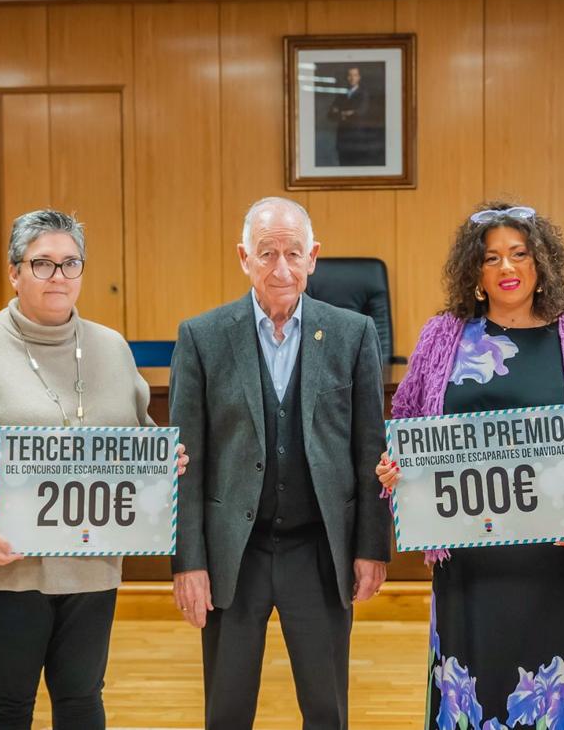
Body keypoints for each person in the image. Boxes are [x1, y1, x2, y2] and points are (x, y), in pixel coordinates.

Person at [377, 202, 564, 729]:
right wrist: (396, 469)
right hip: (467, 560)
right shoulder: (442, 337)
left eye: (519, 254)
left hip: (553, 557)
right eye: (492, 257)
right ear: (473, 271)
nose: (507, 268)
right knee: (469, 697)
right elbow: (407, 428)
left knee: (547, 706)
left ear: (540, 262)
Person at [0, 208, 186, 730]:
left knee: (82, 700)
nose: (58, 277)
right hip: (4, 566)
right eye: (42, 264)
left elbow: (136, 437)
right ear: (14, 272)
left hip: (93, 566)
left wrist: (162, 463)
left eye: (71, 264)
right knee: (7, 705)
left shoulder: (112, 347)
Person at [169, 196, 391, 730]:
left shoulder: (353, 334)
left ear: (314, 257)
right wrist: (188, 562)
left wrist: (370, 548)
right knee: (226, 710)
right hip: (232, 553)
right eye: (267, 253)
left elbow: (370, 451)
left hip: (317, 550)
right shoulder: (202, 337)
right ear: (243, 257)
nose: (282, 268)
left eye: (293, 252)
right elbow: (186, 462)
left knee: (325, 709)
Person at [327, 66, 378, 166]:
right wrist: (346, 113)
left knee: (356, 167)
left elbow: (360, 112)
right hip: (342, 139)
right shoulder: (341, 95)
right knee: (343, 166)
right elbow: (330, 115)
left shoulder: (364, 94)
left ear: (359, 77)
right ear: (346, 77)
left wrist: (340, 112)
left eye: (355, 75)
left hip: (357, 139)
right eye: (349, 75)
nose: (352, 78)